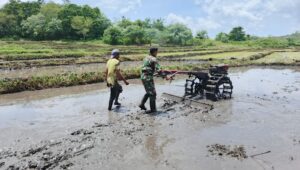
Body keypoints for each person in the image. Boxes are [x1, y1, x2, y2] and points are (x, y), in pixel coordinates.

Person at [139, 47, 162, 113]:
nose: (157, 53)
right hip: (148, 78)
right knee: (153, 93)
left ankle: (142, 104)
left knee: (149, 92)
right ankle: (153, 110)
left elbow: (147, 68)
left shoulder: (146, 57)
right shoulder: (154, 59)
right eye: (157, 52)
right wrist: (164, 75)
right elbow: (159, 70)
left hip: (143, 76)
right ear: (154, 52)